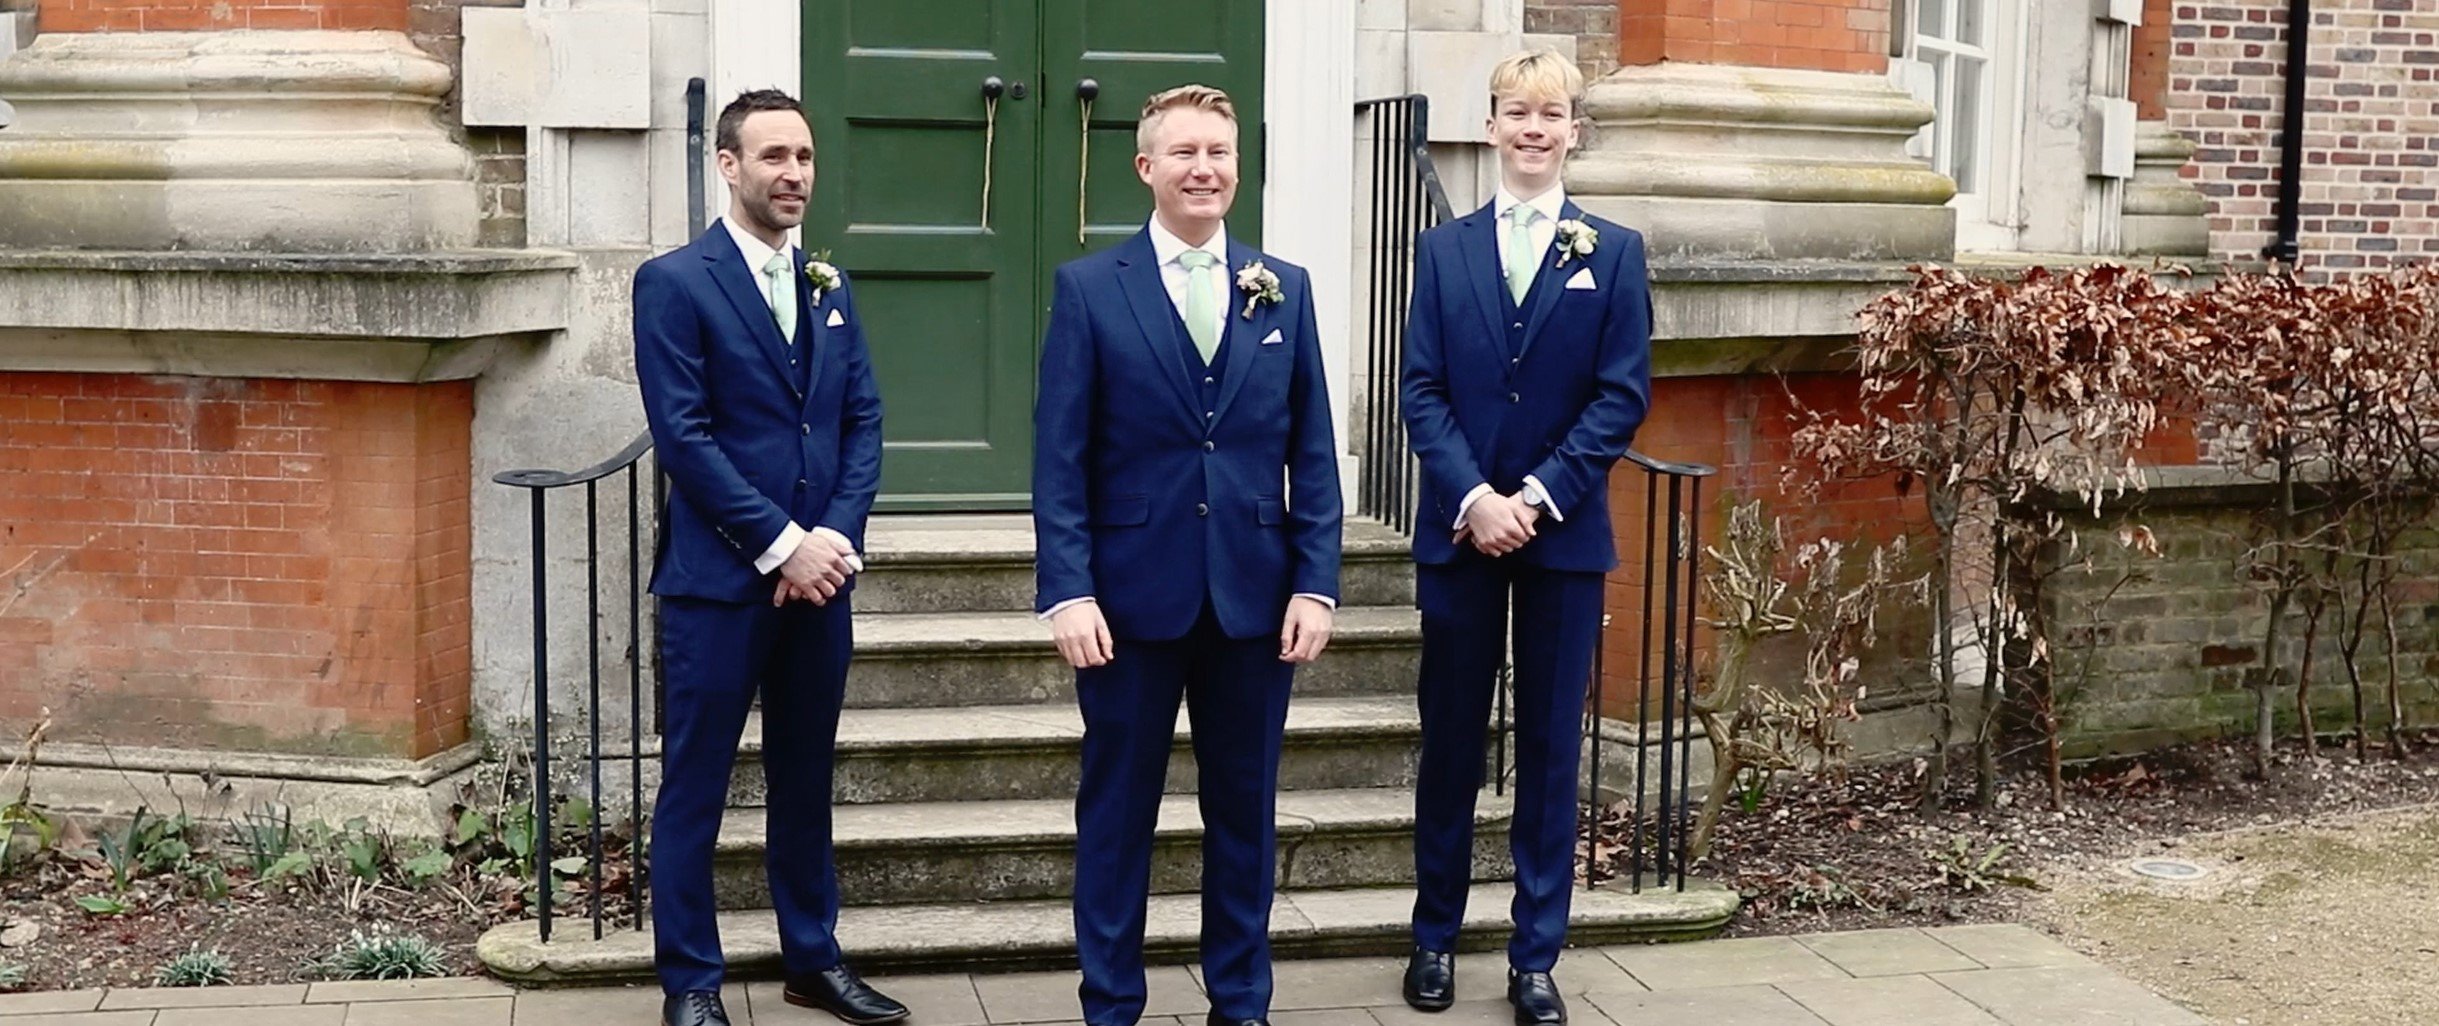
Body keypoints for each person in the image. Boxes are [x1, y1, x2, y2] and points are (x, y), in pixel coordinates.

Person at [1031, 84, 1344, 1026]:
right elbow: (1060, 457)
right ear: (1146, 168)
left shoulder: (1282, 284)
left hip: (1255, 599)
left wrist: (1317, 585)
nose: (1203, 168)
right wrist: (1067, 591)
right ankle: (1110, 1002)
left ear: (1237, 164)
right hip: (1127, 602)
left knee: (1243, 814)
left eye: (1218, 151)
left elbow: (1314, 452)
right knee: (1117, 816)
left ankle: (1240, 1000)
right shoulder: (1089, 289)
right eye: (1183, 153)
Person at [631, 89, 903, 1026]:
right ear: (728, 164)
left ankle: (811, 961)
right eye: (775, 156)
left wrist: (835, 539)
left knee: (804, 780)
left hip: (819, 583)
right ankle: (691, 983)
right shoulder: (674, 282)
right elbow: (686, 438)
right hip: (717, 585)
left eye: (805, 156)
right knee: (695, 787)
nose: (794, 174)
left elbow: (861, 420)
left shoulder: (829, 284)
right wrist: (781, 545)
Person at [1395, 50, 1652, 1026]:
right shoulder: (1443, 249)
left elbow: (1620, 396)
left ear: (1575, 130)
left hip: (1563, 540)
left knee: (1549, 752)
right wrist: (1474, 498)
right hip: (1462, 536)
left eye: (1552, 114)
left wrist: (1536, 498)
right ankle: (1432, 938)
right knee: (1451, 745)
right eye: (1516, 112)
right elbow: (1420, 388)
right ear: (1493, 126)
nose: (1534, 129)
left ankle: (1535, 954)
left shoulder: (1613, 253)